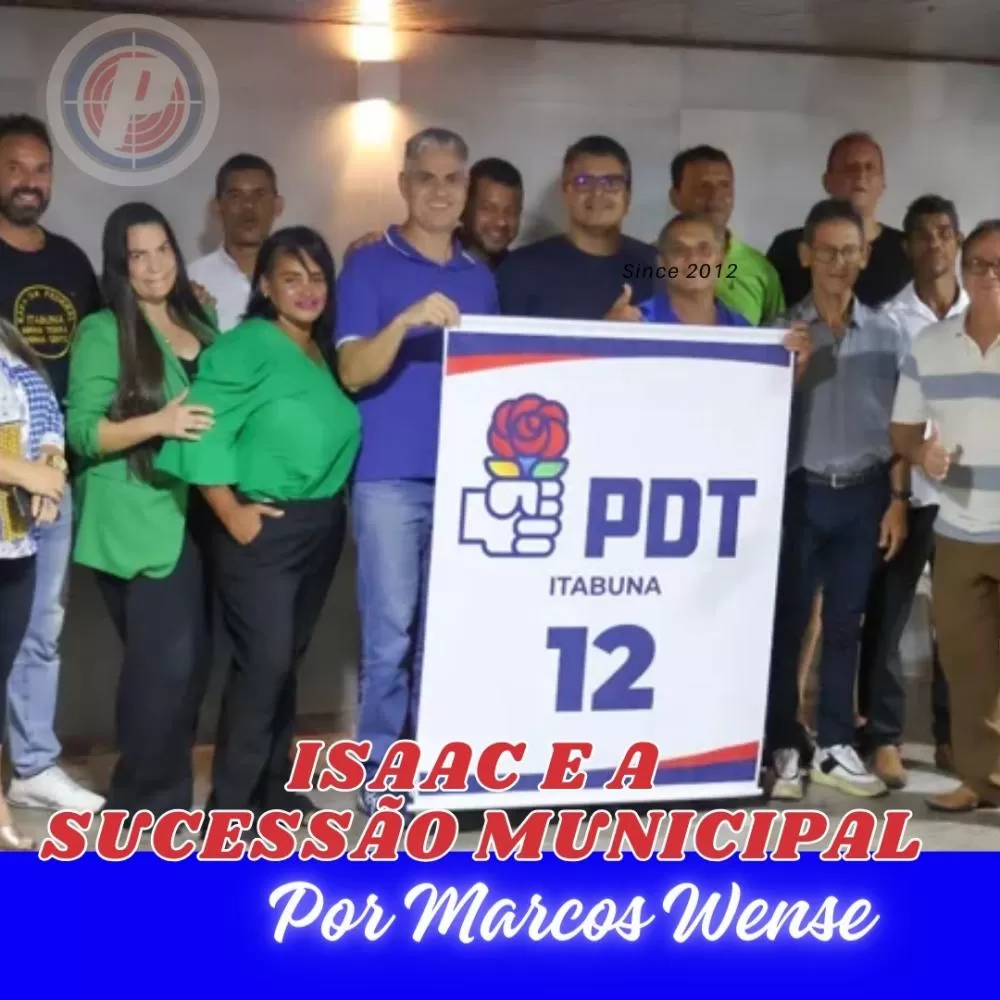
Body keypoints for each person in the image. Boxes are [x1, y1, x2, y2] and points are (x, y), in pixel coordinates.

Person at [156, 227, 359, 816]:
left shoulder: (319, 350)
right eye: (291, 278)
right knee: (264, 666)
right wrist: (230, 512)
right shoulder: (246, 345)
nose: (307, 289)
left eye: (317, 277)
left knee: (285, 665)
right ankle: (229, 810)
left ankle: (273, 793)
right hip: (263, 528)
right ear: (265, 286)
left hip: (320, 526)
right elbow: (200, 428)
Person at [335, 127, 498, 815]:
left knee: (446, 634)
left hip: (467, 480)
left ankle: (434, 768)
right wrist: (405, 322)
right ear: (404, 184)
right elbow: (351, 371)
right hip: (388, 481)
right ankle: (382, 775)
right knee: (390, 636)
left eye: (452, 178)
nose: (439, 191)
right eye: (425, 177)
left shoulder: (480, 278)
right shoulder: (367, 267)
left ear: (467, 189)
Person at [66, 202, 218, 816]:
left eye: (163, 250)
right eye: (138, 255)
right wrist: (159, 422)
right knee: (163, 667)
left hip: (201, 511)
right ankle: (140, 805)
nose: (154, 266)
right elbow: (83, 431)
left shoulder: (200, 317)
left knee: (191, 666)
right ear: (119, 264)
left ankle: (168, 797)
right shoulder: (103, 330)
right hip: (135, 514)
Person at [766, 198, 909, 802]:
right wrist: (786, 373)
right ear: (806, 255)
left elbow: (905, 423)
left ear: (865, 255)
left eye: (850, 251)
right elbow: (754, 420)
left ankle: (833, 745)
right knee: (790, 623)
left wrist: (897, 498)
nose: (838, 262)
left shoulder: (889, 333)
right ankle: (783, 744)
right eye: (826, 251)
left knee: (847, 624)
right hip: (800, 494)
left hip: (864, 494)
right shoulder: (782, 335)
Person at [0, 112, 104, 814]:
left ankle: (33, 764)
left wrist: (51, 461)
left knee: (44, 624)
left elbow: (90, 361)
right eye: (15, 167)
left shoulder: (69, 262)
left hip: (53, 471)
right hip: (9, 470)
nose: (29, 181)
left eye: (40, 169)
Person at [891, 218, 1000, 812]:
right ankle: (982, 782)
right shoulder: (930, 345)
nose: (988, 275)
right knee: (967, 666)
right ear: (963, 269)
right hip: (957, 531)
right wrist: (920, 452)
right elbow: (903, 430)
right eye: (978, 264)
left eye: (999, 265)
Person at [859, 195, 965, 787]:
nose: (935, 244)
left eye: (944, 232)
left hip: (974, 496)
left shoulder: (986, 309)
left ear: (957, 241)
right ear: (907, 247)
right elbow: (889, 419)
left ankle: (954, 737)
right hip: (912, 491)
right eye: (923, 235)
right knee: (891, 617)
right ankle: (886, 737)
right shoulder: (891, 320)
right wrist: (897, 498)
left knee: (964, 620)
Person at [0, 317, 67, 849]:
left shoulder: (10, 347)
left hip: (14, 537)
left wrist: (51, 464)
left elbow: (47, 417)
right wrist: (28, 474)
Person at [608, 213, 812, 375]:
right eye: (679, 250)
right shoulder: (637, 325)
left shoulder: (741, 331)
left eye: (704, 250)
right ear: (662, 264)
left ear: (720, 262)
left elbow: (757, 399)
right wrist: (607, 340)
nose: (692, 259)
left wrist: (793, 367)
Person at [497, 135, 657, 319]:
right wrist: (607, 332)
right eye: (584, 182)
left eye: (612, 183)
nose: (598, 193)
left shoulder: (657, 266)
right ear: (566, 192)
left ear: (628, 196)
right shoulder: (520, 269)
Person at [767, 132, 910, 310]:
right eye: (851, 167)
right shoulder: (788, 248)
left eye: (870, 167)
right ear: (827, 181)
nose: (860, 175)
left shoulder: (907, 250)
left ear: (882, 183)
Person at [667, 145, 785, 325]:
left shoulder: (761, 270)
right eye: (703, 187)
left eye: (724, 186)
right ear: (675, 196)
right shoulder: (646, 261)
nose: (715, 196)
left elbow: (778, 335)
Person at [343, 156, 523, 270]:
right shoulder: (418, 252)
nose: (501, 221)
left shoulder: (521, 271)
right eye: (488, 209)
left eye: (511, 212)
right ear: (463, 207)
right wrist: (362, 258)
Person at [188, 154, 284, 332]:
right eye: (235, 196)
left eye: (259, 195)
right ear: (217, 208)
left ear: (278, 206)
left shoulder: (301, 281)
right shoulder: (192, 280)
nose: (248, 206)